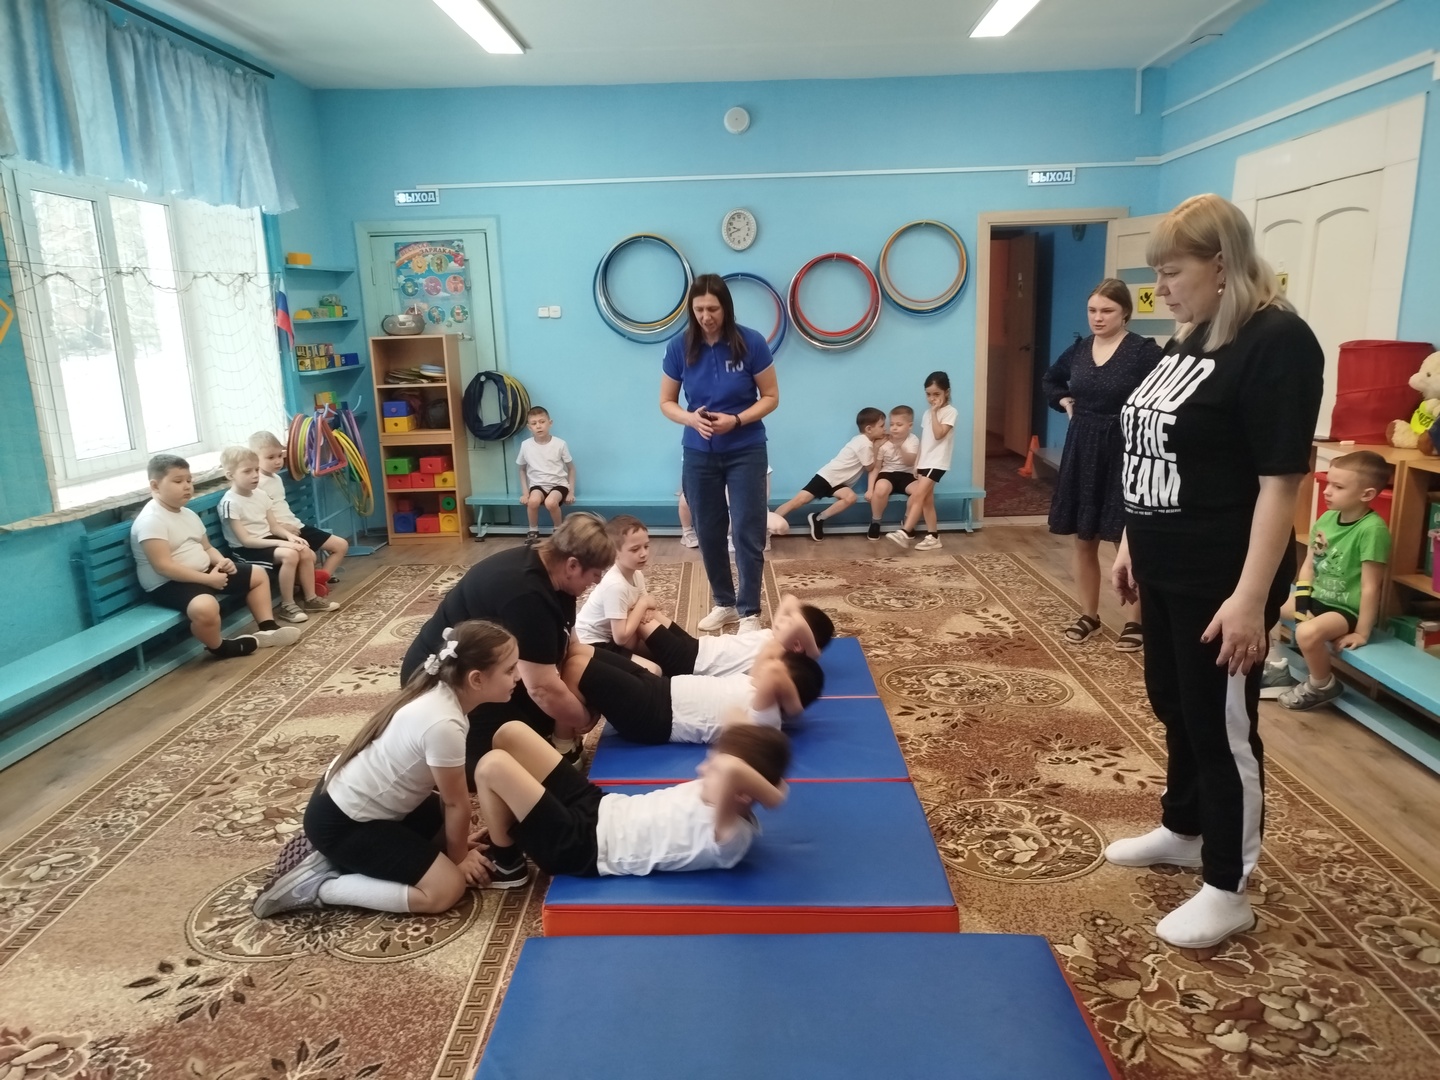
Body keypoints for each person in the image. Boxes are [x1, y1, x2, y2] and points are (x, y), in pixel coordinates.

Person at [1105, 193, 1323, 950]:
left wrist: (1250, 599)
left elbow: (1279, 482)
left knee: (1222, 726)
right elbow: (1155, 451)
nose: (1159, 289)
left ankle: (1228, 885)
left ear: (1221, 265)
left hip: (1224, 575)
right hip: (1165, 559)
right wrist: (1131, 540)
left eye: (1171, 272)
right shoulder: (1192, 335)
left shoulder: (1278, 342)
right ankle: (1185, 828)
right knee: (1174, 702)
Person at [251, 622, 528, 917]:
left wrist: (454, 847)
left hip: (355, 806)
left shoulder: (441, 694)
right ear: (476, 679)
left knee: (447, 828)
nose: (518, 676)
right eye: (510, 669)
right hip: (343, 825)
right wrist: (459, 858)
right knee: (446, 888)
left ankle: (341, 859)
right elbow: (455, 802)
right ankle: (319, 885)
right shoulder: (443, 724)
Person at [400, 514, 615, 769]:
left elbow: (568, 644)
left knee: (555, 712)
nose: (597, 581)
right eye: (595, 574)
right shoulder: (526, 596)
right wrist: (585, 718)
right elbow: (542, 688)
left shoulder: (554, 574)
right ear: (572, 565)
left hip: (484, 669)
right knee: (519, 761)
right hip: (442, 684)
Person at [474, 720, 789, 880]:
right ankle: (509, 821)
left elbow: (734, 769)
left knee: (492, 766)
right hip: (600, 805)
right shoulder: (724, 794)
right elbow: (735, 759)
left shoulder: (729, 834)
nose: (701, 769)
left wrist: (773, 797)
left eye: (714, 768)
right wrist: (772, 786)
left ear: (741, 792)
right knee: (510, 733)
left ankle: (508, 866)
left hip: (583, 846)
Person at [1042, 279, 1163, 651]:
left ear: (1125, 312)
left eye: (1107, 310)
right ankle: (1089, 615)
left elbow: (1165, 396)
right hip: (1083, 446)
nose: (1098, 317)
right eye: (1092, 310)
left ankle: (1136, 621)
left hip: (1125, 449)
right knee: (1084, 537)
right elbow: (1051, 379)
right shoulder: (1080, 349)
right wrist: (1064, 400)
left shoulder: (1143, 351)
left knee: (1126, 537)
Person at [660, 274, 779, 634]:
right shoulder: (679, 347)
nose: (706, 316)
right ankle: (724, 603)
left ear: (725, 308)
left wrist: (737, 420)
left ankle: (749, 612)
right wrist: (690, 419)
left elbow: (771, 397)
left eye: (712, 308)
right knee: (708, 530)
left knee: (746, 529)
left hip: (746, 449)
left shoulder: (751, 342)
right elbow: (666, 402)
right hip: (699, 453)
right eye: (699, 309)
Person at [129, 454, 301, 658]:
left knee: (258, 574)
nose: (187, 486)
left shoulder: (187, 514)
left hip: (204, 572)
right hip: (168, 584)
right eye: (178, 481)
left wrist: (222, 561)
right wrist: (208, 579)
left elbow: (207, 547)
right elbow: (163, 566)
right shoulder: (151, 520)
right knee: (207, 607)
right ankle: (220, 648)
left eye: (189, 480)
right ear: (155, 486)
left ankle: (267, 628)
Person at [1268, 452, 1392, 709]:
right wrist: (1302, 608)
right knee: (1266, 604)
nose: (1327, 491)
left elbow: (1371, 587)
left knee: (1306, 632)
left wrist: (1362, 632)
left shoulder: (1372, 530)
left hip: (1345, 610)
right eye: (1327, 483)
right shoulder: (1326, 518)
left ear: (1367, 494)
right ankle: (1275, 664)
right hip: (1317, 598)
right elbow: (1308, 567)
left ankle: (1322, 684)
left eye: (1338, 486)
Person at [561, 638, 824, 745]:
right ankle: (590, 705)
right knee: (580, 651)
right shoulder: (758, 686)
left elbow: (775, 671)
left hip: (656, 715)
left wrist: (794, 708)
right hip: (661, 688)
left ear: (783, 689)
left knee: (575, 668)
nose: (766, 666)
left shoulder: (767, 718)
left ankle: (565, 744)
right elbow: (773, 647)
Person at [217, 445, 338, 623]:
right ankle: (287, 605)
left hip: (267, 540)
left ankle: (310, 598)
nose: (255, 475)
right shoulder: (230, 503)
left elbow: (273, 527)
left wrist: (290, 537)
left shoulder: (260, 494)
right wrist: (283, 543)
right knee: (290, 554)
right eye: (247, 471)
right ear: (230, 475)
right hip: (246, 550)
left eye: (256, 469)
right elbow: (246, 540)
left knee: (304, 550)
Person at [637, 593, 834, 678]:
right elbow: (790, 599)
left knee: (640, 619)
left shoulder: (783, 651)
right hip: (696, 646)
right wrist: (791, 620)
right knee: (650, 615)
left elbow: (799, 625)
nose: (780, 620)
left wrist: (807, 641)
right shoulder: (777, 635)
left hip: (690, 662)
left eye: (787, 622)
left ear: (798, 643)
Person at [250, 431, 348, 587]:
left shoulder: (276, 478)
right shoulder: (255, 484)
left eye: (280, 455)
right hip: (279, 532)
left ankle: (321, 579)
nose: (278, 461)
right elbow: (256, 517)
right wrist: (282, 528)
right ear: (255, 459)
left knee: (341, 545)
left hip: (296, 526)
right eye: (270, 457)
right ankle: (311, 584)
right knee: (310, 557)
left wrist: (290, 526)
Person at [773, 408, 887, 542]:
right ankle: (767, 525)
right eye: (882, 426)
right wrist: (877, 447)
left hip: (839, 482)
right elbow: (870, 467)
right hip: (827, 477)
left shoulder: (863, 441)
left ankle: (818, 518)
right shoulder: (864, 444)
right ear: (869, 429)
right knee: (798, 501)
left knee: (850, 498)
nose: (884, 429)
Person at [888, 372, 957, 550]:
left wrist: (934, 413)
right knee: (926, 500)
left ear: (946, 392)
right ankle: (933, 537)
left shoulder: (950, 412)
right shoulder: (927, 414)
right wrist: (917, 464)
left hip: (937, 463)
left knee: (918, 494)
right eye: (928, 394)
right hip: (925, 462)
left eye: (936, 394)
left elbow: (939, 434)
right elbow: (925, 441)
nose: (932, 398)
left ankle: (905, 531)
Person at [574, 515, 655, 655]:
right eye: (635, 549)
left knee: (652, 635)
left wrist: (646, 605)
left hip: (612, 637)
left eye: (646, 546)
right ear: (614, 552)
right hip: (591, 643)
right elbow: (621, 638)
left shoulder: (637, 575)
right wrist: (643, 604)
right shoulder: (615, 585)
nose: (644, 554)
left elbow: (649, 605)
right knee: (654, 666)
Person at [515, 406, 575, 545]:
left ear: (550, 423)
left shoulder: (560, 444)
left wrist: (571, 492)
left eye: (542, 422)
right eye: (534, 423)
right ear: (529, 427)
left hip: (558, 485)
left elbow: (571, 469)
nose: (538, 426)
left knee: (551, 502)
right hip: (538, 485)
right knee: (533, 501)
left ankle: (558, 530)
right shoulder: (526, 445)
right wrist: (525, 493)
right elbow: (522, 470)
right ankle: (533, 531)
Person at [867, 406, 920, 540]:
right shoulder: (883, 442)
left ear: (910, 426)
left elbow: (910, 462)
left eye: (899, 425)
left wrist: (900, 447)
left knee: (920, 491)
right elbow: (876, 468)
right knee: (880, 489)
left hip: (907, 474)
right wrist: (870, 489)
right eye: (891, 424)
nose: (894, 428)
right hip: (888, 473)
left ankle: (908, 523)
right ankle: (875, 522)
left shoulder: (913, 440)